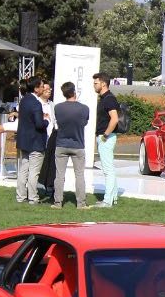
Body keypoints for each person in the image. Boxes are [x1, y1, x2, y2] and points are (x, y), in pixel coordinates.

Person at [50, 81, 89, 209]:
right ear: (74, 92)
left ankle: (58, 203)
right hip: (78, 145)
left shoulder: (58, 108)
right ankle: (81, 203)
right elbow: (84, 123)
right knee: (79, 175)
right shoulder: (84, 108)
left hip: (61, 144)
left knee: (59, 175)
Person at [15, 77, 50, 204]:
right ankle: (33, 197)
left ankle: (20, 196)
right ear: (36, 88)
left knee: (24, 168)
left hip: (24, 140)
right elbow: (39, 124)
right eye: (41, 86)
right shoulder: (36, 103)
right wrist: (46, 120)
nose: (43, 88)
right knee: (34, 171)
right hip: (35, 141)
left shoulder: (24, 100)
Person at [92, 71, 121, 207]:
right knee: (109, 169)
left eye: (96, 83)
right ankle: (113, 197)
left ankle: (107, 200)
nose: (94, 85)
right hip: (106, 137)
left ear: (103, 83)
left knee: (108, 170)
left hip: (106, 137)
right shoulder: (105, 98)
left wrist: (105, 135)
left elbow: (114, 119)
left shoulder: (109, 99)